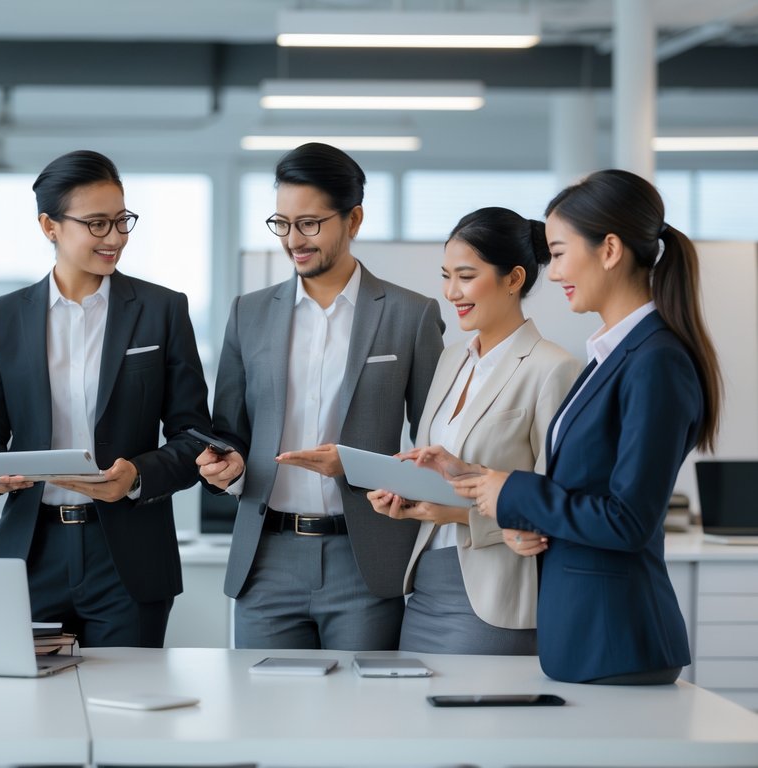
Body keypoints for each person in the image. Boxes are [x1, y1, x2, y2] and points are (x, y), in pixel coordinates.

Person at [429, 170, 721, 684]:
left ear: (609, 250)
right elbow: (582, 488)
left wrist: (513, 492)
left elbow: (627, 520)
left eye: (560, 252)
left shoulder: (654, 360)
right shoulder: (612, 356)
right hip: (583, 634)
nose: (555, 271)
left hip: (615, 639)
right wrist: (477, 478)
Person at [199, 142, 444, 650]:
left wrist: (357, 467)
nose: (294, 240)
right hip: (265, 561)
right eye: (282, 223)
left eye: (309, 223)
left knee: (359, 722)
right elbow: (227, 431)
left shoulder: (410, 314)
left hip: (366, 559)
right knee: (263, 718)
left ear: (353, 220)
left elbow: (435, 448)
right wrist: (225, 468)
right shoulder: (249, 312)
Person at [0, 150, 212, 648]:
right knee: (30, 715)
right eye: (97, 224)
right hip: (32, 553)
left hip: (127, 554)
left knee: (124, 714)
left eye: (122, 221)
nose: (115, 237)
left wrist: (138, 477)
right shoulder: (4, 316)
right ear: (49, 226)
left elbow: (195, 437)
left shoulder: (162, 310)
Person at [366, 207, 580, 655]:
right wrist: (409, 493)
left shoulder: (552, 368)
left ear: (514, 277)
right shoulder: (451, 360)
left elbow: (552, 505)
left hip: (495, 591)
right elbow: (443, 471)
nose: (451, 292)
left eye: (465, 276)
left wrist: (456, 514)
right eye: (446, 276)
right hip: (425, 584)